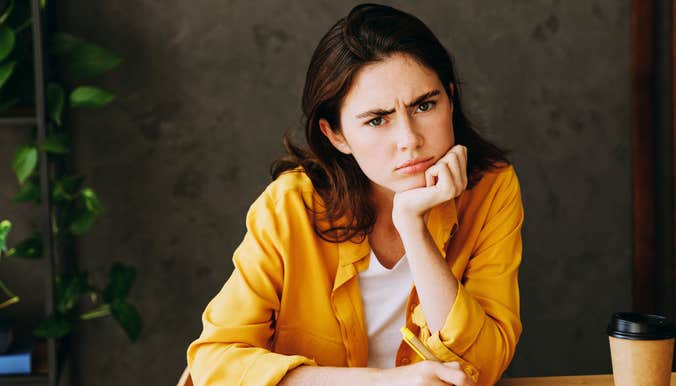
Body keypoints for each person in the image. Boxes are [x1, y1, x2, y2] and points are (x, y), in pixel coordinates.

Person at [187, 3, 524, 385]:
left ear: (450, 99)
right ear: (337, 135)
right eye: (377, 119)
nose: (409, 140)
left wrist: (414, 229)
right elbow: (214, 362)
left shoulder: (491, 188)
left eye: (425, 105)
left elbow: (481, 366)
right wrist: (384, 383)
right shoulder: (290, 207)